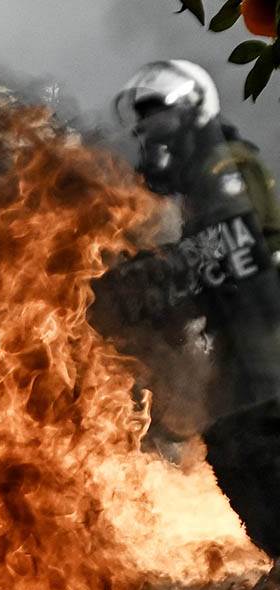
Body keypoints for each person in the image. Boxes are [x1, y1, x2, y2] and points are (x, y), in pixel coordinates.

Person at [103, 60, 280, 558]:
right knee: (234, 449)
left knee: (248, 446)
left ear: (192, 109)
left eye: (155, 113)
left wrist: (142, 283)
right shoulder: (202, 187)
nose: (145, 128)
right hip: (246, 361)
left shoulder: (225, 167)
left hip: (267, 356)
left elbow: (227, 250)